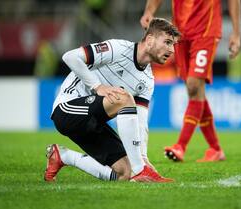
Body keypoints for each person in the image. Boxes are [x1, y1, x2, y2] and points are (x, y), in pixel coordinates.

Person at [44, 18, 181, 182]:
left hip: (94, 122)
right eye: (167, 42)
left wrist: (143, 157)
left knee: (125, 173)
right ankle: (140, 171)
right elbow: (70, 57)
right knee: (124, 98)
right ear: (150, 40)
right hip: (66, 111)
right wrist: (97, 87)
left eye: (173, 44)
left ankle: (63, 156)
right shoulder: (118, 48)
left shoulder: (147, 80)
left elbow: (141, 122)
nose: (171, 49)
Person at [140, 0, 241, 162]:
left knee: (194, 86)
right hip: (180, 34)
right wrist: (149, 11)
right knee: (195, 90)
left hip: (206, 31)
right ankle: (215, 149)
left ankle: (181, 146)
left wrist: (236, 33)